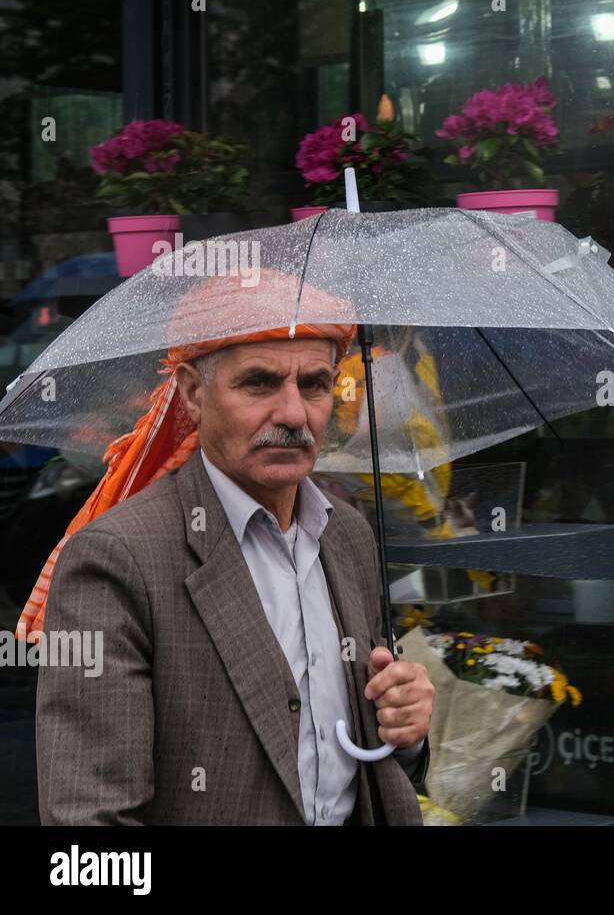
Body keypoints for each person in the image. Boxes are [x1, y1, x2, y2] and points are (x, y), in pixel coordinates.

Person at [24, 268, 434, 824]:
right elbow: (90, 823)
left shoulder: (348, 535)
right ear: (193, 393)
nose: (293, 414)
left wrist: (403, 731)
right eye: (260, 383)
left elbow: (363, 769)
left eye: (314, 384)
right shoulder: (119, 559)